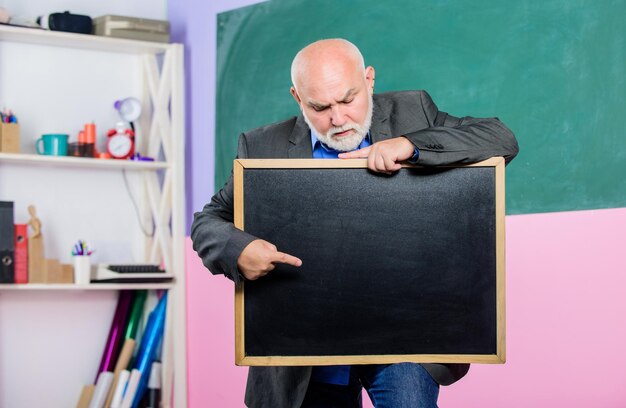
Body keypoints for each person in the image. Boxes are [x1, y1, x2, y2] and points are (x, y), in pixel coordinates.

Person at [191, 38, 519, 408]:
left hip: (402, 339)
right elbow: (208, 220)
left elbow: (500, 138)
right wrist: (239, 249)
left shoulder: (414, 112)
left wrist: (411, 145)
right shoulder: (262, 145)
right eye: (320, 107)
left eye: (348, 99)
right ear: (298, 99)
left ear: (369, 80)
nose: (338, 118)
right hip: (304, 346)